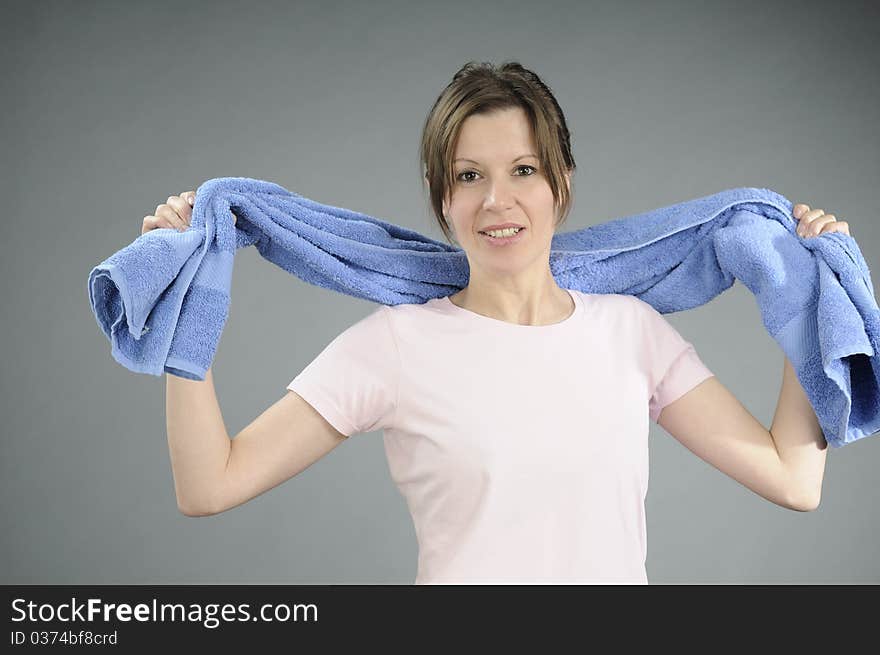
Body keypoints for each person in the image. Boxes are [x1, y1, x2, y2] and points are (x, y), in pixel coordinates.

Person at [152, 61, 836, 585]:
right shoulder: (397, 343)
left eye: (523, 169)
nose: (496, 200)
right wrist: (189, 301)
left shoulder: (632, 332)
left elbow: (792, 479)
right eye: (469, 175)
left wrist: (803, 293)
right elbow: (210, 483)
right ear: (441, 195)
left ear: (562, 180)